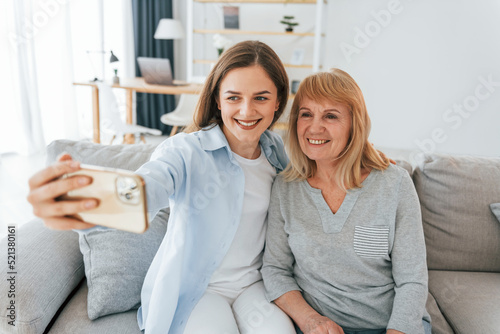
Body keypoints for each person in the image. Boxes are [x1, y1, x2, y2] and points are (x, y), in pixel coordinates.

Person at [27, 40, 296, 334]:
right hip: (199, 290)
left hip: (253, 287)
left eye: (261, 98)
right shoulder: (185, 151)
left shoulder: (277, 153)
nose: (246, 111)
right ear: (218, 100)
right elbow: (147, 187)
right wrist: (87, 202)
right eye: (233, 97)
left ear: (278, 102)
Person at [261, 69, 432, 334]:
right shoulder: (285, 188)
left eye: (330, 116)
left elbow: (412, 280)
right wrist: (310, 320)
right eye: (306, 114)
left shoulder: (394, 184)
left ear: (355, 124)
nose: (314, 127)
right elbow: (275, 269)